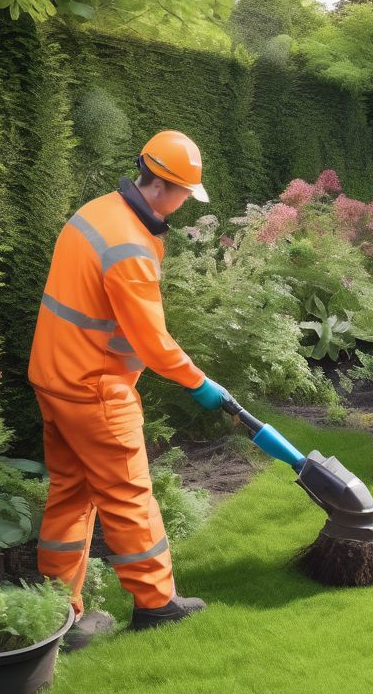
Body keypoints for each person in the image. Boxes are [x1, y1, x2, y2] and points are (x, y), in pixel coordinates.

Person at [28, 130, 229, 638]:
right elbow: (153, 343)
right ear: (163, 185)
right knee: (128, 494)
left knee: (71, 495)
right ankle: (155, 603)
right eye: (186, 193)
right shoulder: (129, 247)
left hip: (53, 377)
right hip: (94, 387)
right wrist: (199, 383)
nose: (185, 203)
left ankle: (58, 608)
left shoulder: (95, 211)